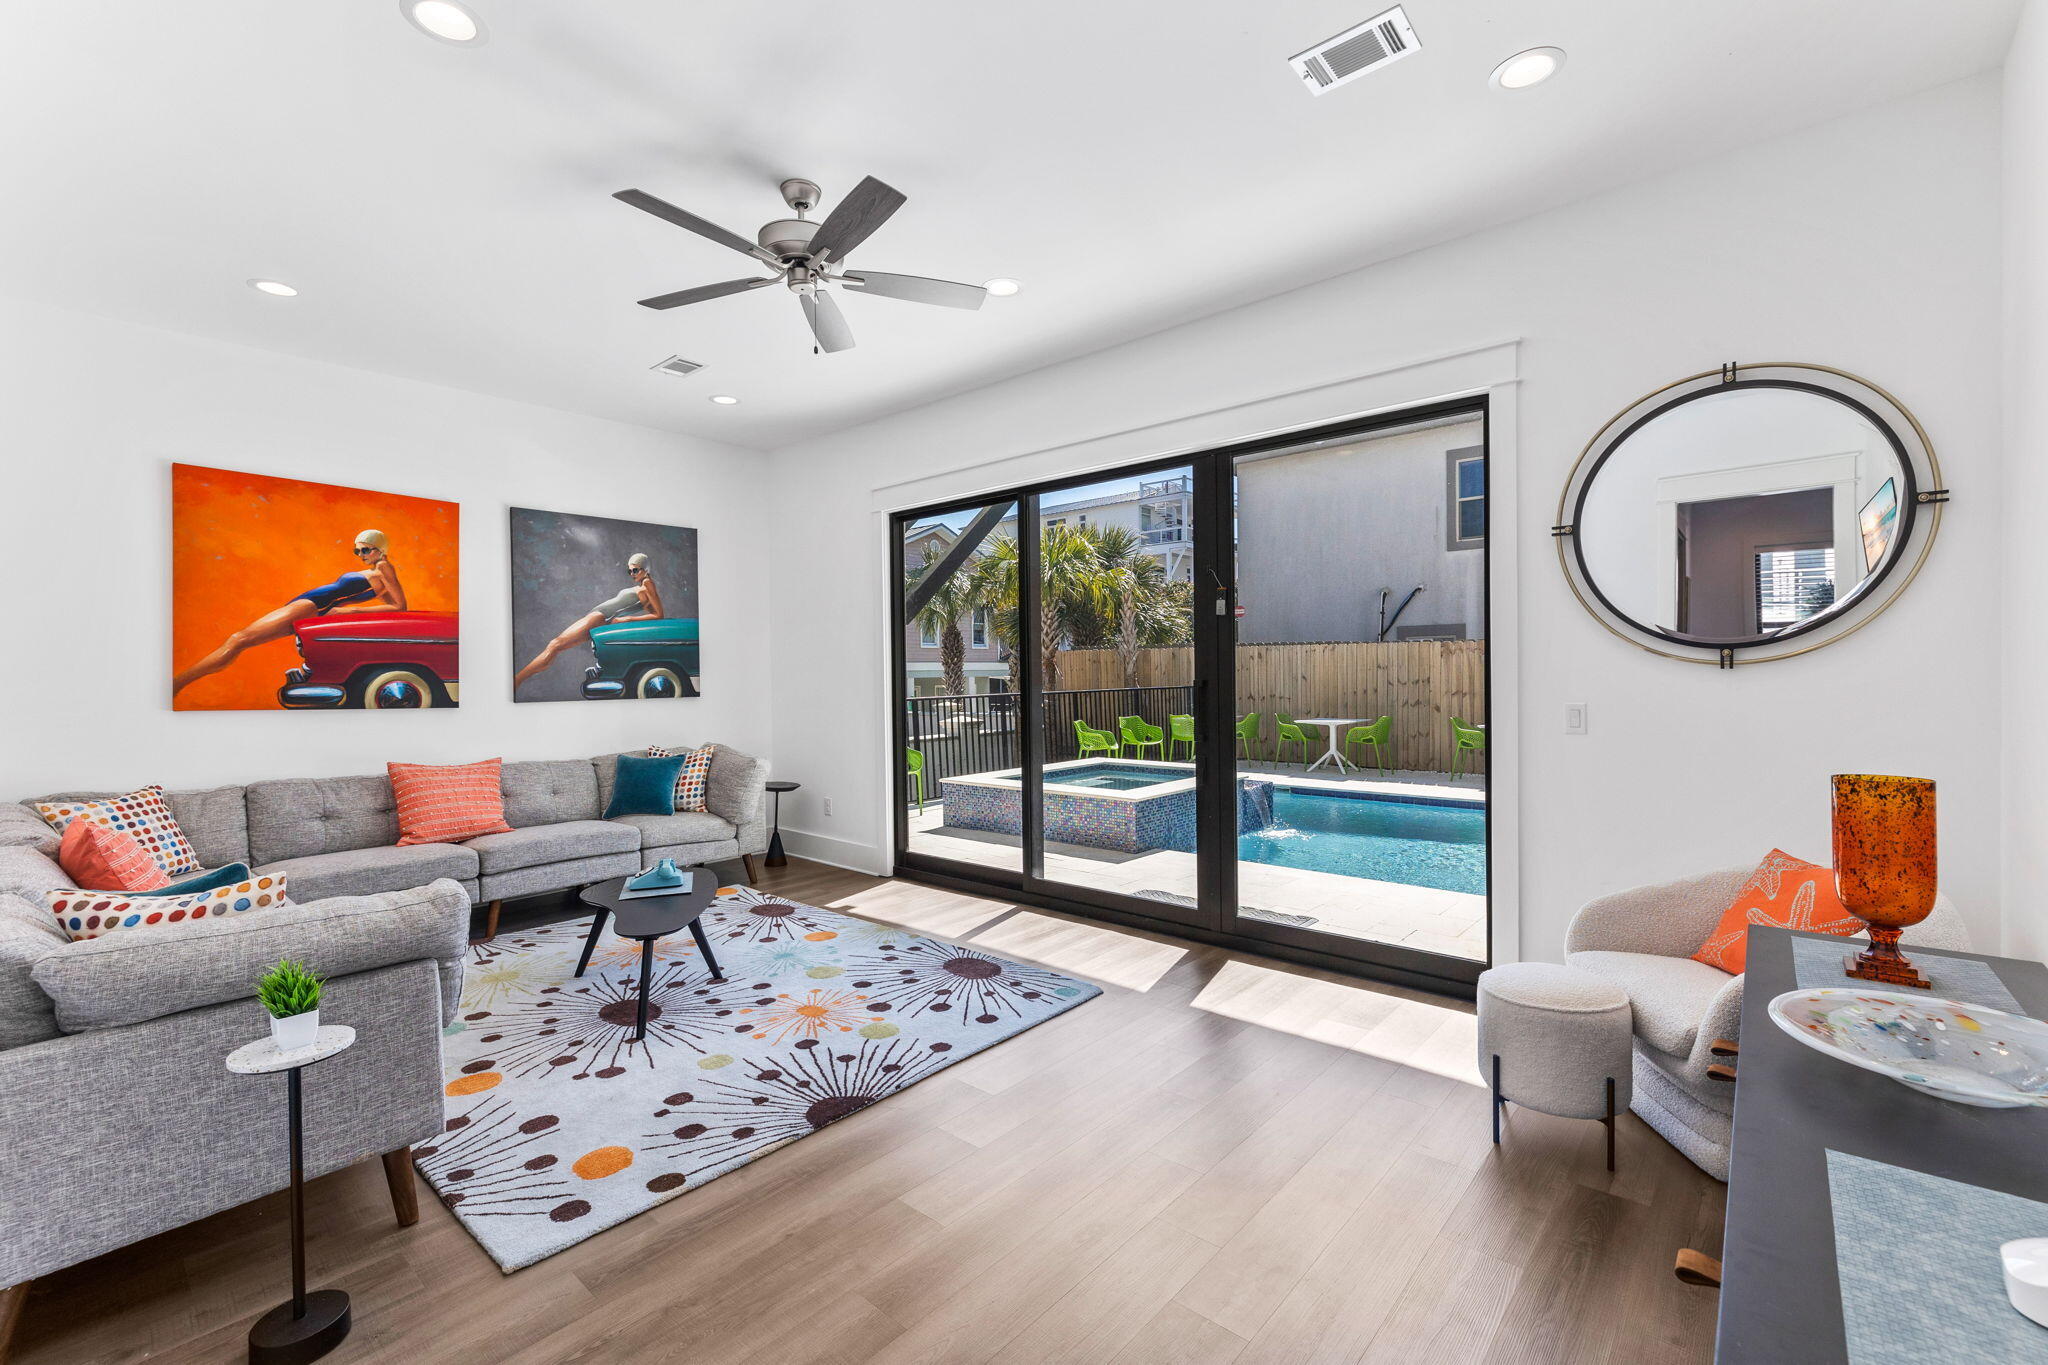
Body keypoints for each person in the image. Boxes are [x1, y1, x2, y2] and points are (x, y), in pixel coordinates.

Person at [172, 530, 407, 698]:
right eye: (357, 550)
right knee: (241, 642)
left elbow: (399, 607)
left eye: (366, 549)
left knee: (238, 640)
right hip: (310, 605)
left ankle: (178, 683)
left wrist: (349, 611)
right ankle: (179, 683)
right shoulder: (379, 577)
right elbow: (390, 605)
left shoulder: (384, 568)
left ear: (380, 549)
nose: (361, 554)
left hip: (311, 605)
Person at [514, 552, 663, 690]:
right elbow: (651, 612)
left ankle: (517, 680)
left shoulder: (648, 585)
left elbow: (658, 615)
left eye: (635, 570)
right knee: (556, 646)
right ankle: (518, 680)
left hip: (600, 617)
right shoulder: (643, 588)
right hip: (597, 616)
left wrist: (627, 619)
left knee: (555, 645)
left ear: (645, 569)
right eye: (629, 571)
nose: (632, 574)